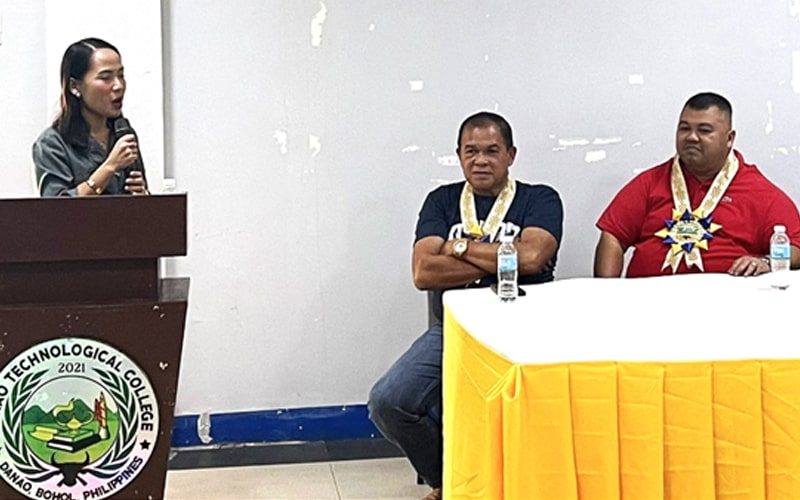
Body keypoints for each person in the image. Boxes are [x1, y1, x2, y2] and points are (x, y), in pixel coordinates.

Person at [368, 111, 563, 500]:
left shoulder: (540, 198)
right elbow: (423, 271)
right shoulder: (441, 201)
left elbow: (531, 258)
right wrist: (503, 257)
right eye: (471, 151)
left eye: (492, 150)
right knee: (388, 401)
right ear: (458, 155)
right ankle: (452, 484)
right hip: (456, 331)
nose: (481, 160)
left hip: (525, 330)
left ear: (510, 154)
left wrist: (456, 246)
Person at [595, 92, 800, 278]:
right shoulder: (650, 182)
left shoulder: (760, 191)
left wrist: (765, 261)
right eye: (684, 128)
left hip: (728, 301)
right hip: (648, 300)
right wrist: (606, 293)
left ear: (729, 139)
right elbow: (613, 237)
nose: (691, 137)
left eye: (704, 130)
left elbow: (795, 247)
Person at [33, 38, 148, 197]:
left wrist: (142, 195)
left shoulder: (122, 134)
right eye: (105, 77)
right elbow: (56, 207)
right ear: (75, 86)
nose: (118, 86)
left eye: (121, 75)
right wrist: (109, 167)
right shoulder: (53, 143)